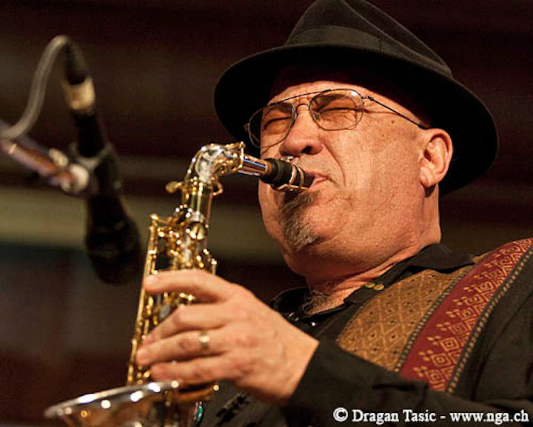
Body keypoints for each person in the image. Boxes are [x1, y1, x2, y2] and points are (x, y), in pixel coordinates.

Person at [135, 0, 533, 425]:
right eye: (275, 120)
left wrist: (303, 375)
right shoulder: (234, 344)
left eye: (338, 108)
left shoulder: (515, 282)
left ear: (430, 158)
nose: (293, 140)